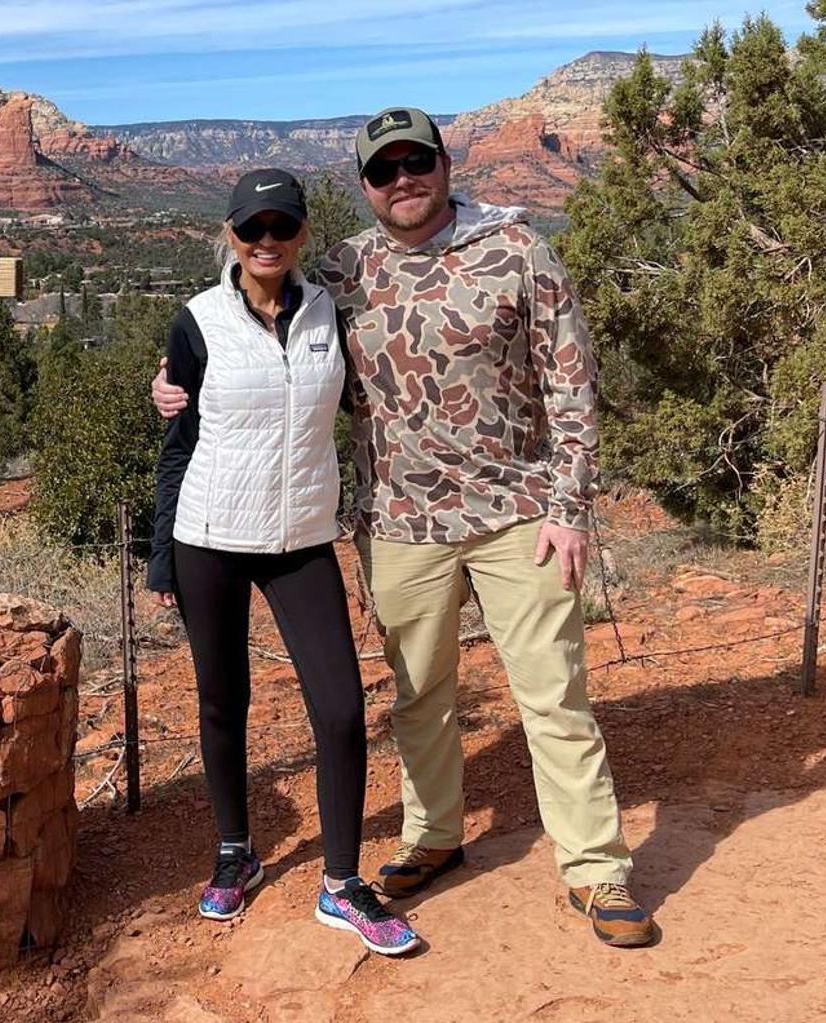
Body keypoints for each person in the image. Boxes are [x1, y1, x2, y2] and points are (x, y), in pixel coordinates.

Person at [151, 109, 658, 948]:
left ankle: (597, 870)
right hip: (399, 521)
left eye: (416, 162)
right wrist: (170, 386)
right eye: (384, 171)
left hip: (518, 514)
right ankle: (433, 835)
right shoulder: (343, 271)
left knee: (553, 695)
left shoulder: (519, 251)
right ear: (364, 186)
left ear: (445, 165)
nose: (403, 182)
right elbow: (237, 348)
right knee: (419, 696)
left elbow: (572, 381)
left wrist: (570, 507)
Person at [146, 167, 419, 956]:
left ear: (301, 233)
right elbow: (177, 440)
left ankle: (341, 883)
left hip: (303, 535)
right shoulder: (197, 320)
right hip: (210, 534)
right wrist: (162, 556)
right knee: (221, 699)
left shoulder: (333, 309)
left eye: (282, 227)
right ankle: (235, 849)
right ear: (230, 234)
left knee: (339, 707)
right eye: (252, 228)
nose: (267, 241)